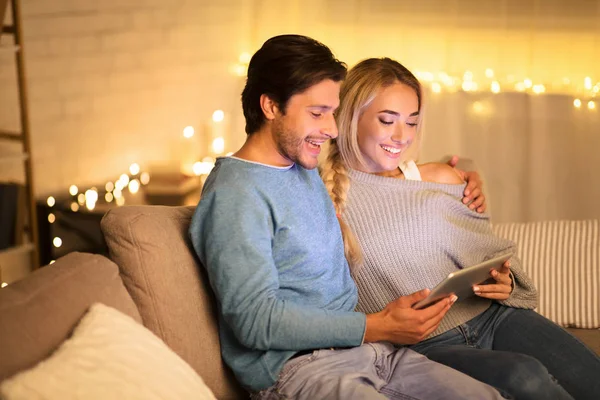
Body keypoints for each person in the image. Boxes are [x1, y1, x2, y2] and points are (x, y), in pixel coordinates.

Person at [189, 35, 504, 399]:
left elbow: (377, 175)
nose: (332, 129)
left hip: (373, 353)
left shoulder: (300, 166)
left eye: (332, 113)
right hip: (300, 370)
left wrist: (464, 172)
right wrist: (376, 325)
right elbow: (256, 322)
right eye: (317, 113)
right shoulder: (235, 195)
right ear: (271, 106)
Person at [321, 57, 600, 400]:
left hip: (494, 316)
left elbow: (488, 249)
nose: (401, 136)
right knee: (525, 378)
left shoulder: (437, 178)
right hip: (424, 344)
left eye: (411, 122)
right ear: (351, 117)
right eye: (387, 120)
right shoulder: (321, 199)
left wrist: (506, 281)